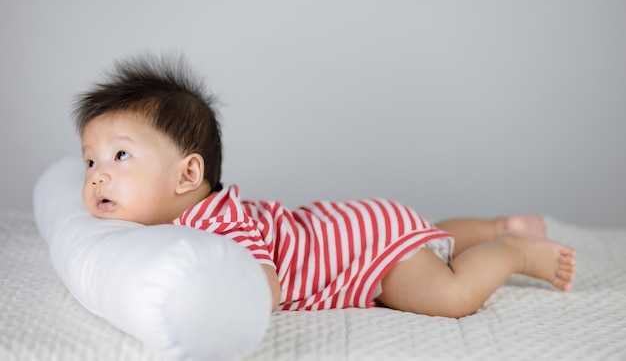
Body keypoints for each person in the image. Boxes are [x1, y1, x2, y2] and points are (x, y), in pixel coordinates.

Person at [73, 53, 576, 318]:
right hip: (360, 227)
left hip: (364, 256)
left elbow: (263, 288)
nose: (98, 174)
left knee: (449, 296)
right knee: (420, 237)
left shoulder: (215, 225)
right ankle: (492, 225)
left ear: (188, 175)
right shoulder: (173, 219)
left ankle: (512, 249)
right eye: (90, 160)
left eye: (120, 156)